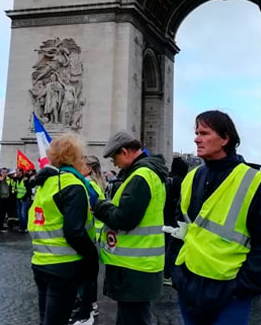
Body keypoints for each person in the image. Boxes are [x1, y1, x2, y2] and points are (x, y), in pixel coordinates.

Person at [172, 111, 261, 325]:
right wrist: (176, 274)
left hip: (229, 291)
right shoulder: (191, 177)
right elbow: (179, 227)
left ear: (225, 138)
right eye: (196, 132)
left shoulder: (252, 181)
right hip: (189, 284)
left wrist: (243, 286)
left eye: (204, 133)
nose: (196, 138)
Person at [93, 130, 166, 325]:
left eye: (114, 157)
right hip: (141, 264)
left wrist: (99, 206)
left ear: (125, 151)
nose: (113, 163)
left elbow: (124, 218)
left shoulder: (141, 176)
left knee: (133, 320)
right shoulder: (147, 173)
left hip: (134, 268)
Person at [29, 135, 98, 325]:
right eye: (82, 157)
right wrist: (92, 255)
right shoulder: (73, 185)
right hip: (64, 266)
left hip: (40, 262)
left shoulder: (46, 184)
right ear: (74, 158)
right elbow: (74, 231)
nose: (84, 161)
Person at [68, 155, 106, 325]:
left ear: (89, 168)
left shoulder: (88, 185)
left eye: (81, 164)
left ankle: (87, 307)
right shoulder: (95, 184)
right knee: (88, 274)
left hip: (88, 234)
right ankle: (89, 304)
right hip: (92, 234)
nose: (77, 166)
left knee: (84, 275)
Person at [163, 157, 188, 287]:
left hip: (165, 216)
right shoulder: (181, 182)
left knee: (167, 246)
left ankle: (166, 274)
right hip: (175, 218)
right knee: (174, 248)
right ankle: (170, 273)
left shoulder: (168, 179)